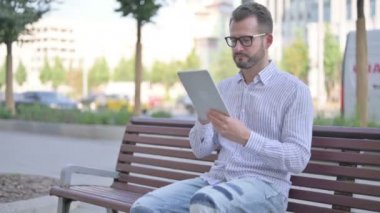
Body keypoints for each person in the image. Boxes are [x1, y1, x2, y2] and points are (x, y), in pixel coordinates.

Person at [131, 2, 313, 213]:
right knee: (144, 207)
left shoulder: (294, 91)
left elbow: (298, 159)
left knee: (204, 204)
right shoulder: (224, 88)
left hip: (266, 188)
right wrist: (203, 120)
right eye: (233, 40)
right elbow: (200, 151)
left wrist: (246, 137)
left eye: (246, 40)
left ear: (268, 40)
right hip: (216, 181)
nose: (237, 48)